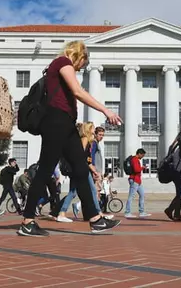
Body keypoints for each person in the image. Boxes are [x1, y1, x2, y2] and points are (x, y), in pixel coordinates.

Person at [17, 41, 122, 237]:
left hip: (66, 124)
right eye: (84, 62)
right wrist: (106, 110)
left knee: (81, 169)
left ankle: (95, 219)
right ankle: (28, 221)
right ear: (79, 56)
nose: (83, 67)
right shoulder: (62, 62)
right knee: (45, 171)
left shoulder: (62, 67)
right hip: (55, 122)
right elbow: (77, 91)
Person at [163, 143, 181, 222]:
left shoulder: (177, 148)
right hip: (177, 173)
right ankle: (171, 210)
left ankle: (176, 213)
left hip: (177, 173)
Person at [124, 148, 151, 218]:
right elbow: (136, 169)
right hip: (134, 180)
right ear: (139, 154)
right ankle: (127, 212)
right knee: (131, 196)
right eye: (142, 155)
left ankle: (141, 212)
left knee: (142, 195)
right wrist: (142, 167)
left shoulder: (135, 159)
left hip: (138, 180)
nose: (143, 157)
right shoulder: (135, 159)